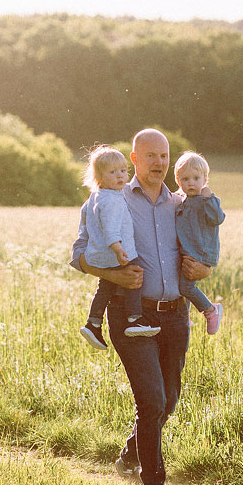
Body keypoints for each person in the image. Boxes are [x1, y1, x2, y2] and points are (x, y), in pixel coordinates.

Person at [71, 128, 211, 485]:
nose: (159, 163)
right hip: (131, 316)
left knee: (168, 400)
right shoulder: (108, 198)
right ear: (134, 159)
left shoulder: (182, 202)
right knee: (151, 400)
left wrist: (205, 270)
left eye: (164, 156)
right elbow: (78, 253)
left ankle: (130, 454)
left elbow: (204, 246)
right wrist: (114, 274)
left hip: (175, 315)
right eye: (150, 156)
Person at [75, 145, 160, 351]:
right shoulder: (112, 200)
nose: (120, 176)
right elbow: (111, 227)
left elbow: (86, 224)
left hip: (100, 255)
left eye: (123, 170)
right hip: (119, 252)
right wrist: (117, 248)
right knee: (134, 275)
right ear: (99, 177)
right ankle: (134, 319)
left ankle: (93, 322)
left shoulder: (95, 197)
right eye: (113, 172)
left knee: (104, 287)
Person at [173, 150, 225, 335]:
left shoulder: (206, 201)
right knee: (182, 285)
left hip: (201, 253)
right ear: (179, 181)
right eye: (185, 179)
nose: (191, 183)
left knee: (185, 287)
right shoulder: (182, 201)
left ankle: (210, 310)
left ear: (205, 179)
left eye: (196, 178)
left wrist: (209, 197)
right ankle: (185, 317)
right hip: (188, 252)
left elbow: (218, 218)